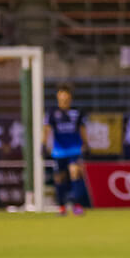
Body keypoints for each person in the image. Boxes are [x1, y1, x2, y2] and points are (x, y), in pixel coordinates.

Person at [43, 83, 88, 216]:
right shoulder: (52, 113)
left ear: (70, 97)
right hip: (59, 150)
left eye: (66, 97)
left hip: (74, 149)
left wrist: (86, 144)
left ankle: (76, 205)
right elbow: (46, 129)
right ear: (58, 97)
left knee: (75, 172)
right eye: (61, 96)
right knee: (59, 178)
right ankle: (61, 206)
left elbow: (82, 129)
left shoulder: (77, 112)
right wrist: (43, 144)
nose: (64, 99)